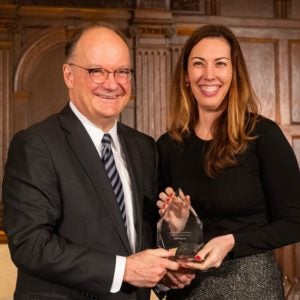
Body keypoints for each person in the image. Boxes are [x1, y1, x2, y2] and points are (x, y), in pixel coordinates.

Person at [2, 21, 185, 300]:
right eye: (96, 71)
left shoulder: (144, 148)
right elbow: (31, 244)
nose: (112, 83)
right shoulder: (36, 144)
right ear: (68, 75)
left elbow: (135, 238)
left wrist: (164, 273)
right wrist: (123, 269)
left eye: (122, 71)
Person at [156, 24, 300, 299]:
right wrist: (181, 225)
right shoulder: (168, 145)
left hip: (251, 284)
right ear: (186, 75)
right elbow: (176, 241)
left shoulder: (262, 135)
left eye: (220, 64)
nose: (208, 74)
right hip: (189, 288)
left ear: (234, 74)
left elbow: (295, 220)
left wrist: (233, 242)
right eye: (198, 64)